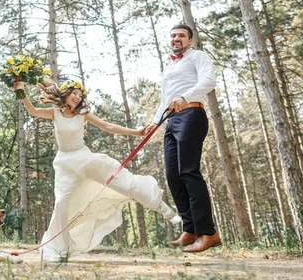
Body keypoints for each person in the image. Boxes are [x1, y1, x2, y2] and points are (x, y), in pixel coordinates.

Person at [15, 79, 181, 263]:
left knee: (121, 182)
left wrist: (137, 132)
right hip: (64, 164)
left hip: (84, 159)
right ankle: (57, 249)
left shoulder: (83, 114)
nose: (78, 98)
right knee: (61, 205)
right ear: (66, 93)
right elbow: (32, 110)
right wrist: (20, 90)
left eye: (80, 95)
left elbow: (108, 127)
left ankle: (163, 209)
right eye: (75, 93)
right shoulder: (54, 113)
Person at [140, 23, 221, 253]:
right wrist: (155, 122)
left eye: (181, 35)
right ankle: (191, 229)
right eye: (173, 35)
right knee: (173, 175)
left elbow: (209, 81)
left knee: (188, 172)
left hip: (191, 114)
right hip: (172, 120)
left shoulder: (198, 56)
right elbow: (166, 99)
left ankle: (209, 233)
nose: (176, 38)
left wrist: (185, 97)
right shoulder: (168, 68)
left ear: (190, 40)